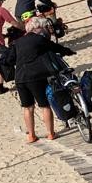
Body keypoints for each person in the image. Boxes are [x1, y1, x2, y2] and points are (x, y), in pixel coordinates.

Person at [13, 16, 75, 144]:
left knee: (27, 107)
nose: (45, 30)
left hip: (20, 77)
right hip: (35, 77)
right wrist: (68, 51)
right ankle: (51, 133)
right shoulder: (39, 39)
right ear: (37, 28)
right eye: (43, 27)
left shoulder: (17, 42)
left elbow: (8, 59)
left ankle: (31, 135)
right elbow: (55, 47)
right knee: (44, 105)